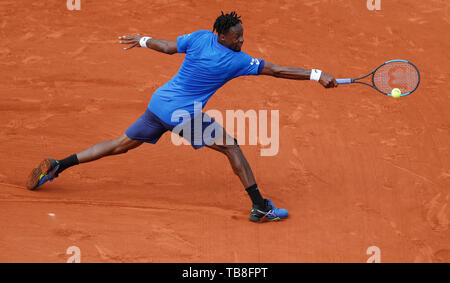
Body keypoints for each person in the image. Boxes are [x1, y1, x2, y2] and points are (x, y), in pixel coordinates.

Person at [26, 11, 338, 223]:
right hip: (181, 116)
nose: (242, 40)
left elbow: (168, 47)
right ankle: (260, 206)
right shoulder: (236, 61)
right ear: (223, 36)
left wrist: (143, 39)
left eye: (243, 35)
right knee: (232, 146)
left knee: (120, 144)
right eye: (237, 36)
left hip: (159, 103)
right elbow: (277, 70)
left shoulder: (201, 37)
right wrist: (317, 74)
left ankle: (58, 165)